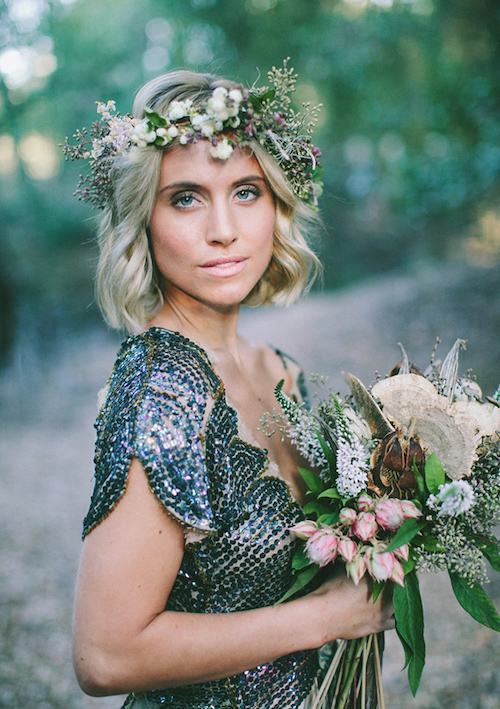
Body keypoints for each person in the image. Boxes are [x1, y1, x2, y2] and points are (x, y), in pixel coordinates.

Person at [68, 61, 395, 709]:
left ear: (276, 203)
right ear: (143, 216)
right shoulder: (163, 394)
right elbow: (105, 655)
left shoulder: (277, 368)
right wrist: (329, 617)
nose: (224, 228)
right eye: (185, 196)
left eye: (246, 190)